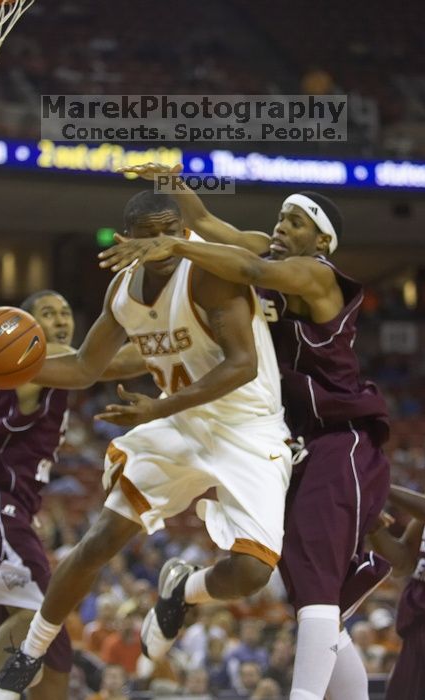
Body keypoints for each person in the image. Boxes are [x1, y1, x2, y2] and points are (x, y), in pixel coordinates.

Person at [0, 190, 292, 699]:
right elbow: (85, 367)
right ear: (130, 239)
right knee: (101, 539)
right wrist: (12, 369)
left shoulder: (210, 272)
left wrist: (158, 407)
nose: (167, 242)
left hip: (247, 427)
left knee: (252, 574)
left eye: (174, 230)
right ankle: (29, 653)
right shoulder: (123, 291)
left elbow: (243, 366)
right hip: (182, 422)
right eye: (154, 235)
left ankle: (182, 589)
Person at [99, 163, 392, 700]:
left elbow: (247, 271)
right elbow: (212, 224)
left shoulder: (315, 273)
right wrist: (176, 187)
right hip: (288, 435)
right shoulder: (261, 248)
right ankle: (185, 591)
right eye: (282, 216)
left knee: (316, 588)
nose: (283, 227)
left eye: (298, 222)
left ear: (322, 239)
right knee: (303, 585)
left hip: (337, 433)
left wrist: (173, 246)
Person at [0, 291, 143, 700]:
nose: (61, 319)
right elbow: (117, 363)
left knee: (53, 650)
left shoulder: (5, 376)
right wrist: (185, 340)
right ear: (26, 327)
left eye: (65, 311)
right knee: (41, 617)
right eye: (48, 313)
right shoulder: (39, 358)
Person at [369, 485, 425, 700]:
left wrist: (380, 483)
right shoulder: (422, 517)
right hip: (417, 631)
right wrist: (374, 529)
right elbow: (403, 563)